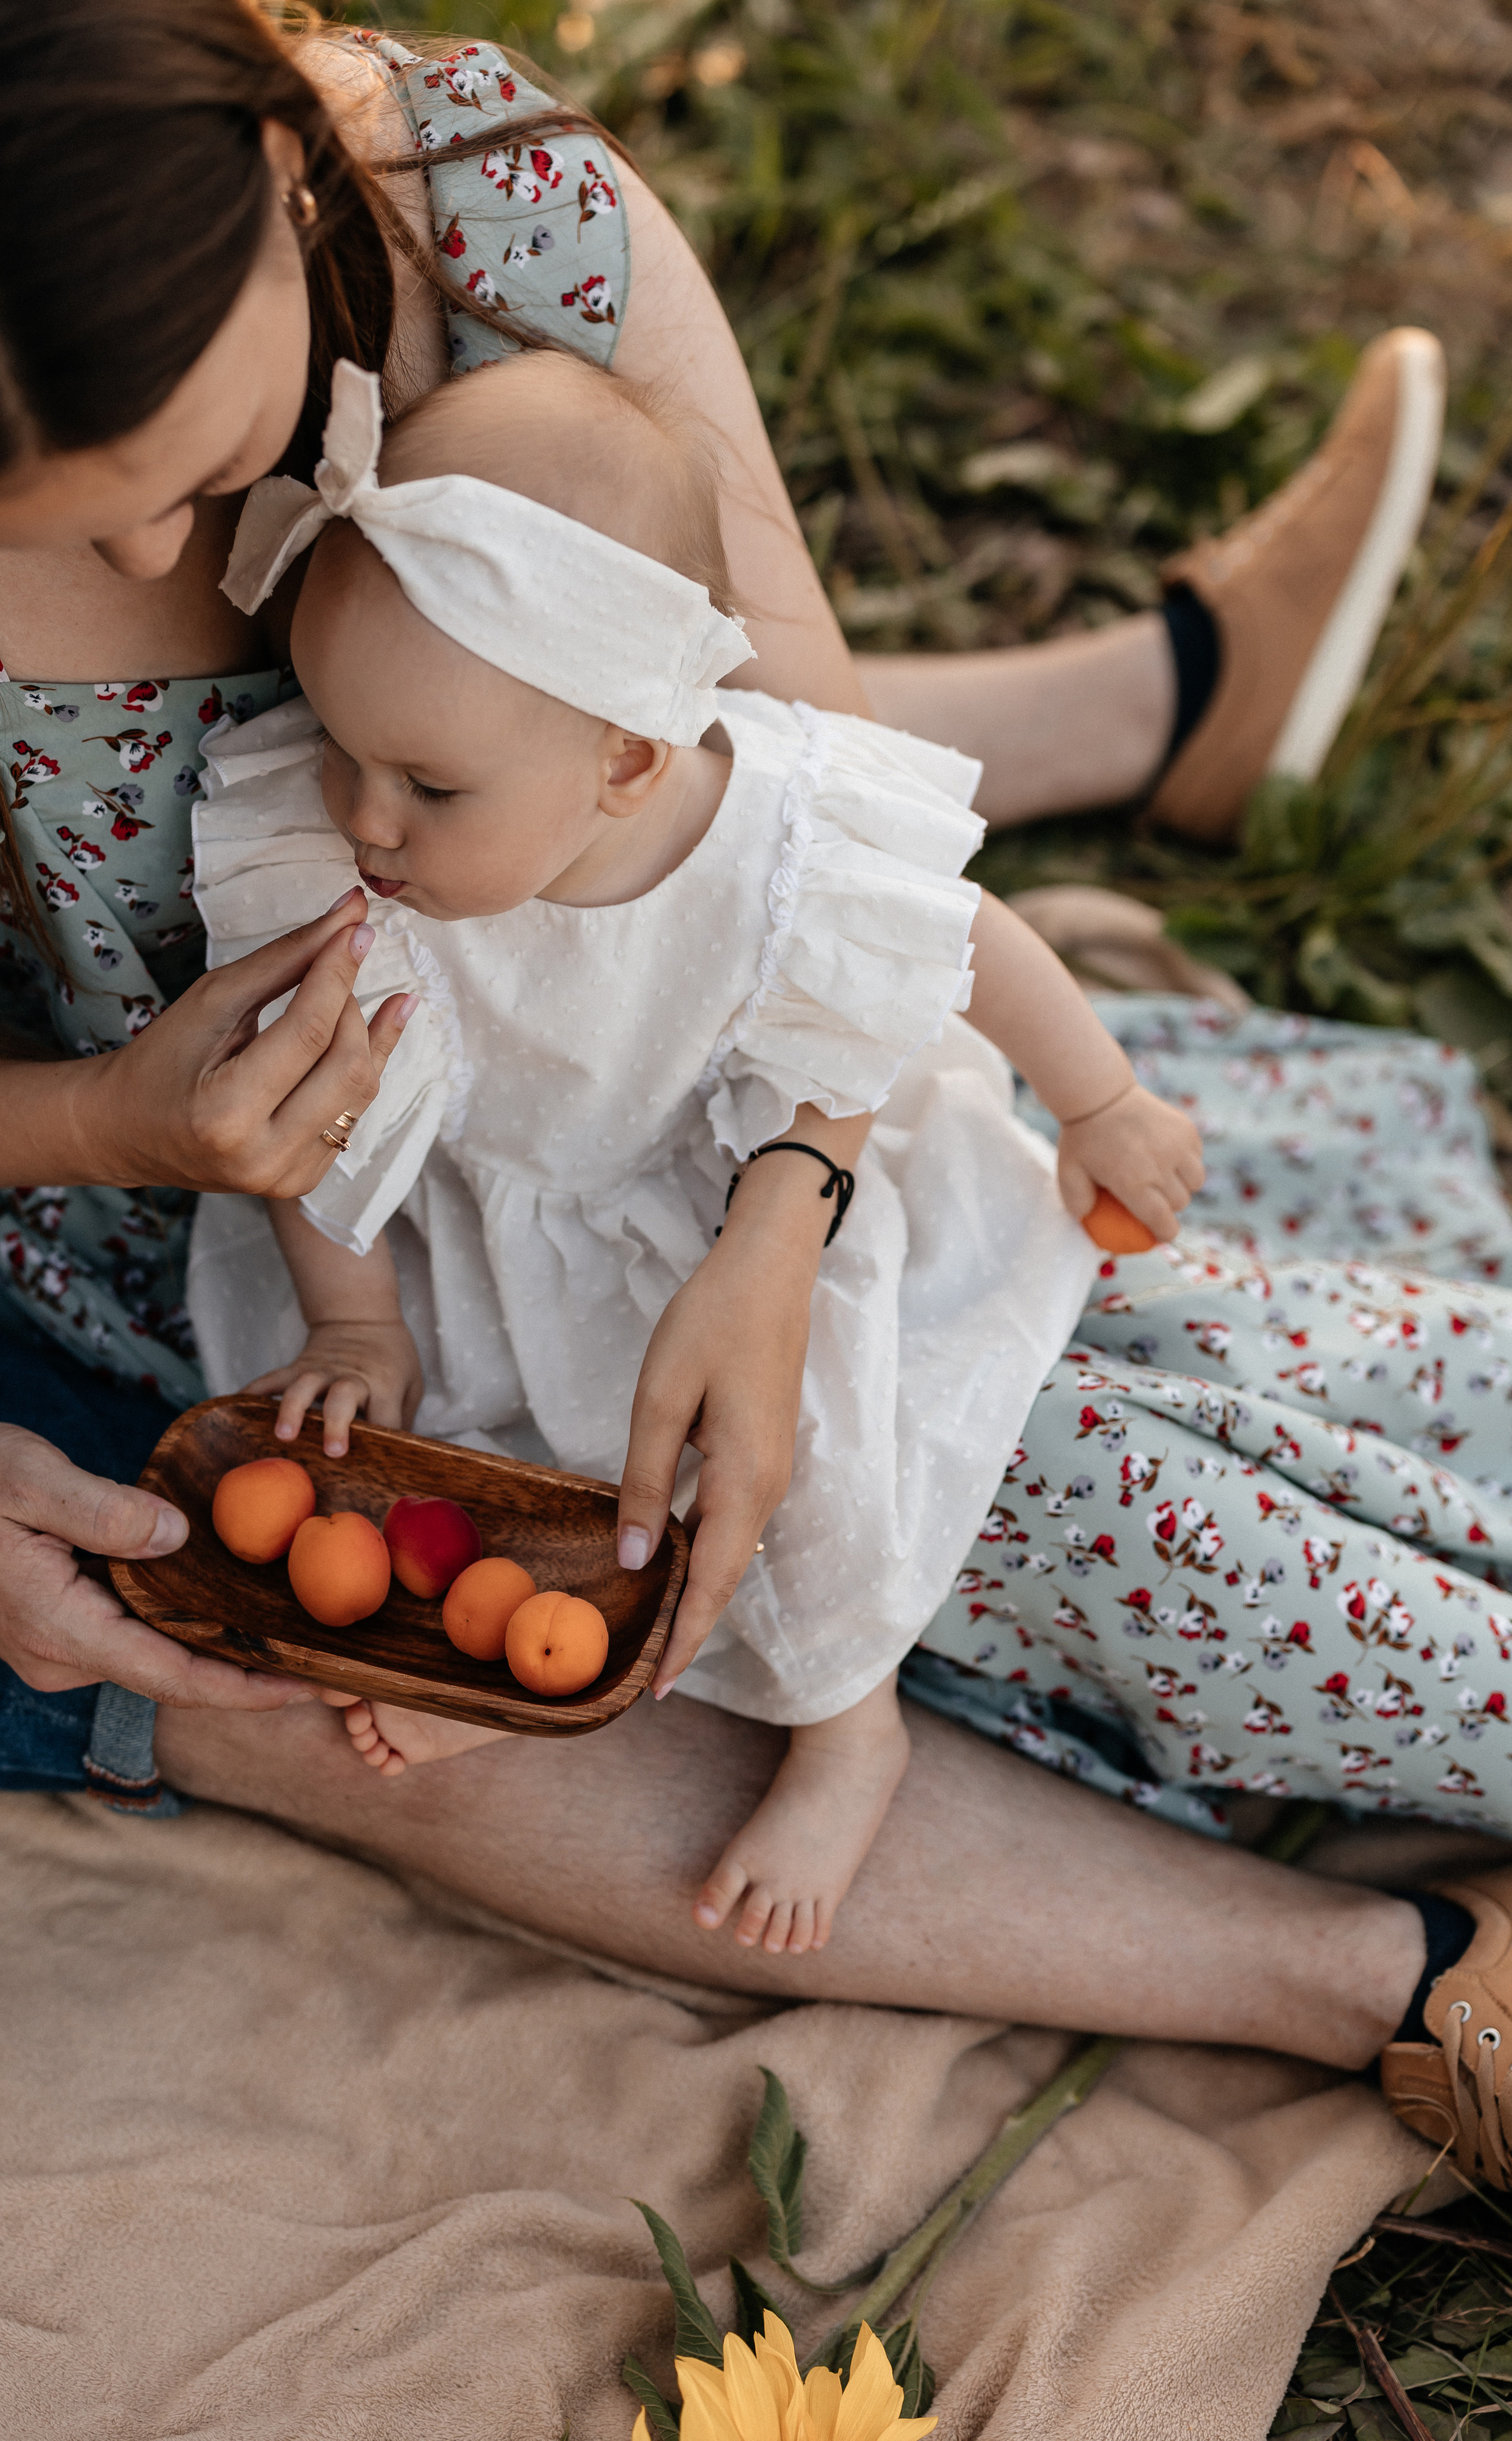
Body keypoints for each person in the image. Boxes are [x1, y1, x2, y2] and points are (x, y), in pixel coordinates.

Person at [0, 0, 1502, 2186]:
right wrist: (117, 1132)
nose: (195, 553)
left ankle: (1156, 710)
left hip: (695, 1070)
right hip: (215, 1217)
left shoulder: (484, 224)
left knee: (1014, 1444)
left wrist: (790, 1203)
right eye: (59, 519)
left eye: (203, 452)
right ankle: (1162, 702)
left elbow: (810, 785)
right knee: (515, 1614)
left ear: (281, 175)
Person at [180, 346, 1202, 1952]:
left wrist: (1097, 1099)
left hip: (717, 1212)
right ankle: (502, 1656)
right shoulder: (356, 852)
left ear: (628, 762)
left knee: (796, 1466)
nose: (363, 817)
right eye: (341, 748)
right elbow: (324, 1114)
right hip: (475, 1226)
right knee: (454, 1451)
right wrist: (353, 1317)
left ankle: (844, 1723)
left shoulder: (773, 832)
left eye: (425, 783)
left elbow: (960, 942)